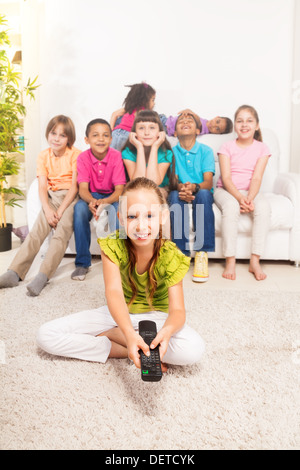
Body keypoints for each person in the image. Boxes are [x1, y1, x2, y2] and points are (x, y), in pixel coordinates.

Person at [36, 177, 205, 370]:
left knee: (194, 349)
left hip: (157, 318)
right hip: (118, 314)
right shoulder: (112, 246)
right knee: (46, 335)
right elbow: (114, 293)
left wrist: (166, 332)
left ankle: (119, 338)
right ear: (121, 219)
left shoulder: (171, 255)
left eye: (149, 216)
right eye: (132, 217)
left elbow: (177, 311)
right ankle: (127, 345)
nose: (141, 226)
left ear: (163, 217)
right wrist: (128, 333)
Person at [0, 115, 81, 296]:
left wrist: (59, 211)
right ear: (48, 134)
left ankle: (43, 276)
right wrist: (47, 208)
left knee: (61, 235)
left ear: (69, 138)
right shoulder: (43, 156)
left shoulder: (76, 155)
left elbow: (75, 187)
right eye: (53, 133)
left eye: (62, 135)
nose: (56, 138)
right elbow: (42, 186)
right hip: (51, 198)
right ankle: (14, 273)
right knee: (36, 232)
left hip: (70, 198)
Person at [214, 105, 271, 281]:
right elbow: (227, 177)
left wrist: (249, 198)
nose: (244, 124)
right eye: (240, 121)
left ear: (257, 125)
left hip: (249, 191)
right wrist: (240, 199)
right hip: (226, 190)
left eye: (249, 121)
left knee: (263, 208)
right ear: (235, 126)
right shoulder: (226, 146)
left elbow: (256, 178)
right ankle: (230, 259)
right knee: (231, 207)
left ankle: (255, 260)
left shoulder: (262, 148)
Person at [71, 119, 126, 281]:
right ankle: (82, 263)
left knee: (117, 211)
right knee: (79, 210)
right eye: (95, 135)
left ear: (111, 139)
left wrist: (105, 202)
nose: (101, 139)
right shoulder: (82, 158)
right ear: (87, 140)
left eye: (105, 135)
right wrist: (92, 202)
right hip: (91, 196)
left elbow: (119, 190)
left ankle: (120, 260)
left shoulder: (116, 157)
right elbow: (83, 189)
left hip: (111, 196)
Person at [168, 112, 215, 283]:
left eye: (190, 121)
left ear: (197, 130)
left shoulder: (206, 151)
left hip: (200, 190)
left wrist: (194, 187)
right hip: (180, 190)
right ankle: (180, 252)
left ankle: (202, 252)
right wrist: (182, 188)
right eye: (181, 121)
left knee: (203, 193)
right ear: (174, 132)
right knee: (174, 195)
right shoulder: (170, 152)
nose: (185, 121)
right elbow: (172, 181)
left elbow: (208, 182)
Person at [121, 110, 177, 196]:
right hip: (137, 192)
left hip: (158, 191)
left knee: (152, 193)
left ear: (160, 132)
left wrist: (155, 147)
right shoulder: (128, 153)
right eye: (141, 128)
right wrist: (139, 147)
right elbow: (138, 183)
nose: (146, 133)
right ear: (134, 132)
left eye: (152, 128)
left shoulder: (166, 153)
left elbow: (153, 182)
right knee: (139, 193)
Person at [110, 82, 156, 151]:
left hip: (116, 133)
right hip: (128, 135)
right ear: (145, 100)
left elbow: (114, 114)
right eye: (152, 100)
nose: (154, 103)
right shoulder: (145, 113)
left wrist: (111, 131)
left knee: (111, 157)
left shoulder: (130, 108)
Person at [164, 109, 233, 137]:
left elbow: (198, 124)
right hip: (166, 120)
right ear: (217, 117)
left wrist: (193, 114)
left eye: (217, 128)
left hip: (166, 128)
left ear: (218, 134)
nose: (214, 125)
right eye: (217, 121)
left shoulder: (204, 130)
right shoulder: (205, 121)